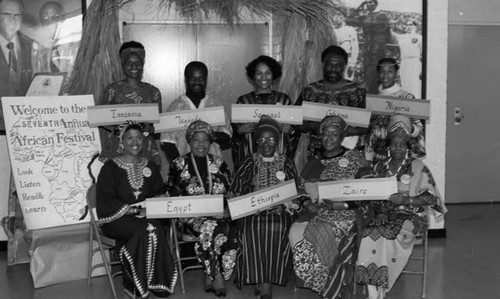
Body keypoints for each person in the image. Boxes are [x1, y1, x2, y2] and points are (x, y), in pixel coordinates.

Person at [356, 115, 446, 299]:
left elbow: (431, 197)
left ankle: (382, 283)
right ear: (388, 146)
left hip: (411, 215)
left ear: (408, 146)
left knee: (387, 234)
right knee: (368, 233)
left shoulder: (418, 166)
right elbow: (369, 194)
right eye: (394, 144)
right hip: (381, 213)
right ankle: (373, 286)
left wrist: (407, 201)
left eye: (402, 144)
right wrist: (379, 211)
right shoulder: (379, 167)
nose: (398, 147)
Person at [288, 115, 372, 299]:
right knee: (296, 230)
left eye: (334, 134)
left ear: (342, 136)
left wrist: (343, 204)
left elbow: (368, 191)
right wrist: (308, 204)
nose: (329, 138)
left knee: (327, 229)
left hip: (348, 211)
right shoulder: (314, 160)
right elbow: (300, 189)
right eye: (325, 134)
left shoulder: (355, 158)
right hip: (316, 212)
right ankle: (321, 281)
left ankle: (335, 286)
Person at [96, 122, 177, 299]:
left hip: (146, 216)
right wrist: (129, 210)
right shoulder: (110, 168)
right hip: (116, 219)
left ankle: (157, 281)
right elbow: (105, 200)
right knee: (143, 230)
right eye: (130, 137)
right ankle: (134, 285)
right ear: (121, 141)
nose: (135, 142)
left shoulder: (150, 166)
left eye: (139, 137)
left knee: (155, 227)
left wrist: (163, 196)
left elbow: (159, 190)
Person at [230, 116, 300, 299]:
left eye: (270, 139)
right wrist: (248, 205)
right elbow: (235, 190)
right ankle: (263, 281)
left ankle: (268, 279)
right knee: (252, 229)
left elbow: (295, 191)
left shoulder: (286, 162)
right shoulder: (249, 162)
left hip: (281, 210)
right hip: (253, 212)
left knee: (280, 228)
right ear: (255, 142)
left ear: (277, 142)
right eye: (261, 139)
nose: (265, 143)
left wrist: (285, 208)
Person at [167, 120, 237, 297]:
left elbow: (230, 190)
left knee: (227, 227)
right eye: (196, 140)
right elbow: (173, 194)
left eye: (205, 140)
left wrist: (229, 207)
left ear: (211, 141)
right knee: (213, 228)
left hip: (219, 214)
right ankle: (217, 274)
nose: (201, 144)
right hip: (191, 216)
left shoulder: (219, 163)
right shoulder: (179, 164)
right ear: (189, 141)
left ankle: (209, 273)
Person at [295, 45, 367, 169]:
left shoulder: (357, 91)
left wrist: (346, 131)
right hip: (317, 153)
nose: (333, 69)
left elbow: (368, 125)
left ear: (345, 65)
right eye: (329, 64)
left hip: (349, 153)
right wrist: (312, 126)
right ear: (323, 64)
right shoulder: (310, 90)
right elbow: (295, 121)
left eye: (338, 65)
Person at [98, 41, 162, 166]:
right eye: (130, 63)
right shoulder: (112, 90)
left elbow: (158, 123)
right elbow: (101, 119)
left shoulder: (153, 91)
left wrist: (149, 129)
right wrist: (117, 129)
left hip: (145, 147)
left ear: (143, 64)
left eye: (138, 63)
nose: (134, 67)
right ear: (123, 64)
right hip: (118, 148)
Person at [231, 55, 297, 170]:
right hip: (250, 158)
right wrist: (240, 130)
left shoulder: (284, 100)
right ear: (253, 76)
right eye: (259, 73)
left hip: (279, 157)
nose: (263, 77)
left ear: (273, 75)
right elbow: (234, 134)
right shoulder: (243, 102)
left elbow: (294, 131)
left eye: (268, 73)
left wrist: (290, 131)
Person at [161, 61, 232, 163]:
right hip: (184, 168)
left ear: (206, 79)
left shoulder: (215, 105)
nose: (197, 82)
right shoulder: (175, 107)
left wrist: (209, 133)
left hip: (213, 166)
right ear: (186, 80)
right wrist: (180, 166)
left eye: (201, 78)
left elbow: (226, 137)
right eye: (193, 78)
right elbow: (167, 142)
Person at [366, 58, 425, 163]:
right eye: (382, 72)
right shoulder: (372, 99)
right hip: (376, 156)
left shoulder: (406, 97)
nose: (385, 76)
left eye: (390, 72)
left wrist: (409, 128)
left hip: (399, 155)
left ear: (396, 73)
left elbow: (419, 128)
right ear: (378, 73)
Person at [0, 0, 35, 131]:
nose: (13, 20)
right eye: (8, 14)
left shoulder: (32, 46)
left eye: (17, 15)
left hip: (28, 127)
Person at [347, 0, 392, 94]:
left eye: (370, 2)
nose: (368, 4)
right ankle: (370, 93)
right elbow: (348, 20)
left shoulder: (382, 15)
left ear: (375, 4)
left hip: (378, 47)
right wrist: (360, 6)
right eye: (366, 3)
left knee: (374, 72)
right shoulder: (365, 17)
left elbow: (388, 34)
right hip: (368, 47)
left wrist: (382, 45)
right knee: (367, 72)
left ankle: (373, 93)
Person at [396, 21, 422, 97]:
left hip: (414, 62)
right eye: (407, 25)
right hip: (404, 62)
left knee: (414, 84)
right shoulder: (402, 37)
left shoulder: (419, 37)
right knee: (404, 84)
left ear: (415, 26)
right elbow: (393, 35)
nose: (409, 26)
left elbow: (423, 53)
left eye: (411, 25)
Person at [332, 8, 359, 81]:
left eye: (339, 14)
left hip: (347, 60)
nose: (336, 17)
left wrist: (352, 64)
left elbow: (355, 48)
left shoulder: (350, 30)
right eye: (334, 15)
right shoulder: (332, 31)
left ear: (344, 17)